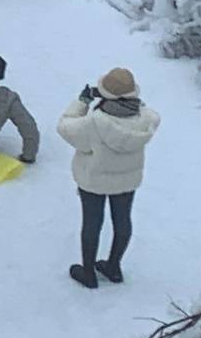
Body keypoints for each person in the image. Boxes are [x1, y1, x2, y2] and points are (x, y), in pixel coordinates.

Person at [58, 66, 160, 286]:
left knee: (92, 223)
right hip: (127, 180)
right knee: (122, 221)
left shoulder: (95, 122)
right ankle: (114, 266)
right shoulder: (146, 119)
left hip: (94, 181)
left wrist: (82, 102)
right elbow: (146, 111)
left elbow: (65, 127)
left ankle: (88, 273)